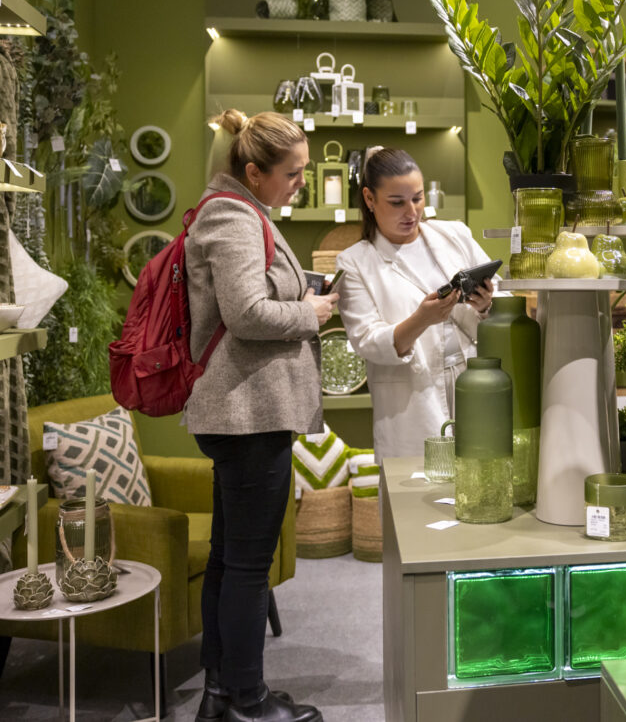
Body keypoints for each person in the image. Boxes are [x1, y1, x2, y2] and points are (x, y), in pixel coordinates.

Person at [185, 109, 339, 722]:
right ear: (254, 172)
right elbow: (246, 313)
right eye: (293, 173)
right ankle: (247, 701)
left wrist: (300, 297)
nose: (301, 182)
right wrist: (312, 312)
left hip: (245, 413)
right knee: (248, 567)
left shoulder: (243, 212)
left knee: (229, 559)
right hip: (246, 414)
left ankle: (222, 695)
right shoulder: (233, 216)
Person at [336, 147, 503, 457]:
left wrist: (485, 304)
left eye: (417, 198)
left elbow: (502, 298)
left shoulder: (454, 234)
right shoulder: (355, 262)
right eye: (397, 202)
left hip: (473, 382)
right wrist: (422, 319)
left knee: (481, 473)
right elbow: (367, 341)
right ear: (370, 199)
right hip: (413, 403)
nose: (411, 212)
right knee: (419, 482)